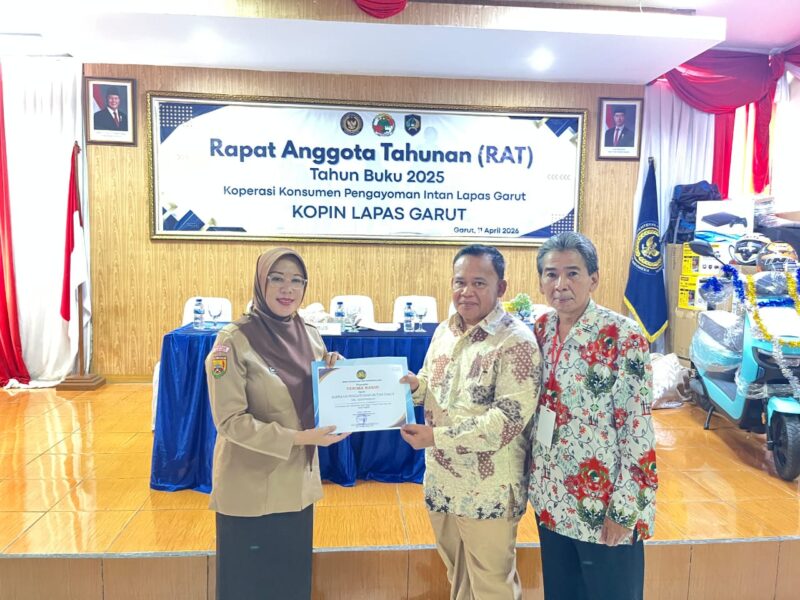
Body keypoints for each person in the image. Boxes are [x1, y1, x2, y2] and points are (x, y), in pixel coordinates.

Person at [205, 248, 350, 600]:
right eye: (277, 278)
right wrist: (300, 437)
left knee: (290, 584)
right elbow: (230, 422)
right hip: (250, 487)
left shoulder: (310, 334)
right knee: (248, 587)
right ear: (260, 281)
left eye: (296, 280)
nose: (288, 289)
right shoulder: (233, 340)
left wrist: (333, 367)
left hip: (296, 487)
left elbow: (310, 390)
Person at [399, 244, 541, 600]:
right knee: (457, 577)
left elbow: (505, 422)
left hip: (488, 489)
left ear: (501, 288)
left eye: (479, 282)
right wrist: (415, 387)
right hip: (442, 482)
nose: (467, 292)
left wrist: (437, 436)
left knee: (492, 585)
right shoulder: (443, 332)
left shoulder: (516, 342)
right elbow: (431, 385)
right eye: (460, 282)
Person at [528, 232, 658, 600]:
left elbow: (638, 428)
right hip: (553, 497)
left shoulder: (623, 335)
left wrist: (625, 508)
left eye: (573, 273)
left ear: (594, 279)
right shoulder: (542, 330)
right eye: (551, 274)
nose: (561, 285)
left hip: (601, 503)